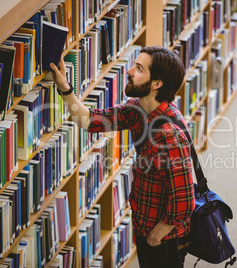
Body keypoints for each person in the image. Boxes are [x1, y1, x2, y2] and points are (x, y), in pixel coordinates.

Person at [50, 46, 195, 268]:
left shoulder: (169, 136)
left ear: (157, 84)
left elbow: (184, 203)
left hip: (164, 238)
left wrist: (156, 235)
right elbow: (90, 121)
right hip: (145, 224)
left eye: (138, 69)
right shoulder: (138, 109)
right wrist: (65, 88)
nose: (129, 71)